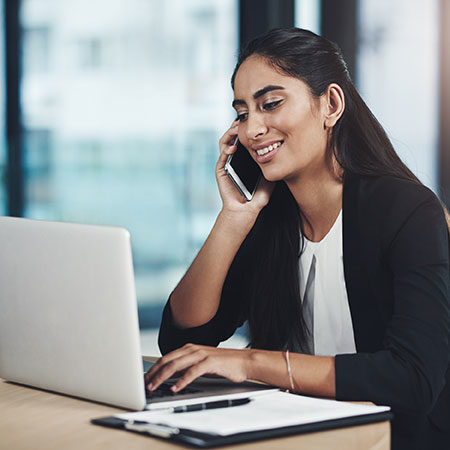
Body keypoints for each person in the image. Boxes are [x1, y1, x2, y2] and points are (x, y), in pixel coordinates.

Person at [145, 28, 450, 449]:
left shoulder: (408, 212)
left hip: (384, 439)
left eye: (270, 104)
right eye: (242, 112)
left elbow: (413, 379)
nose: (252, 129)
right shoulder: (270, 217)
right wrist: (233, 218)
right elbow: (182, 341)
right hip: (289, 435)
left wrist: (251, 362)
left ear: (331, 104)